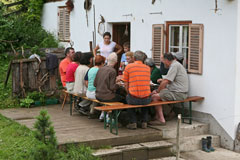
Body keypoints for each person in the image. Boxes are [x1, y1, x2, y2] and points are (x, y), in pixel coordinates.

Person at [150, 53, 189, 125]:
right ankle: (165, 114)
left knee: (154, 97)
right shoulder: (176, 65)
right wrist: (162, 81)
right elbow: (168, 80)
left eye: (163, 61)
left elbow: (166, 81)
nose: (163, 64)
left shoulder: (174, 66)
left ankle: (161, 119)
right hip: (178, 92)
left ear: (167, 60)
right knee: (161, 93)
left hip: (178, 94)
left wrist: (157, 91)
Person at [123, 51, 151, 130]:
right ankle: (144, 122)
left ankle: (133, 122)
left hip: (134, 98)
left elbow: (125, 83)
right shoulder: (148, 68)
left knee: (128, 99)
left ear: (134, 58)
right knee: (145, 97)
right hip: (147, 99)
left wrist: (128, 92)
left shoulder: (129, 67)